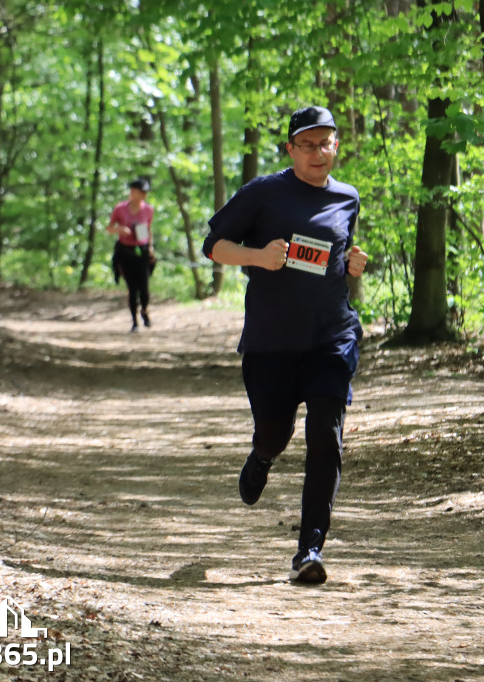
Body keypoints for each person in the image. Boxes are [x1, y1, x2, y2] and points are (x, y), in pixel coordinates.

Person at [203, 106, 368, 584]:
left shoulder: (347, 198)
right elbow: (213, 246)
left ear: (337, 145)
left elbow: (334, 258)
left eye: (327, 143)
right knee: (275, 433)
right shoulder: (264, 193)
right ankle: (262, 457)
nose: (319, 153)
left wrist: (351, 265)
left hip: (331, 339)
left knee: (326, 434)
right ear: (291, 149)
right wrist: (257, 256)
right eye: (308, 145)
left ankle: (309, 549)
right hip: (273, 342)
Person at [107, 177, 155, 332]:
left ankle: (144, 310)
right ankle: (135, 321)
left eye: (144, 193)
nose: (143, 195)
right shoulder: (120, 209)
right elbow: (109, 228)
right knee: (132, 288)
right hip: (125, 252)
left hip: (141, 251)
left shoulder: (148, 210)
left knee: (144, 287)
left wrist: (150, 247)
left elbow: (148, 229)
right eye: (140, 192)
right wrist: (120, 229)